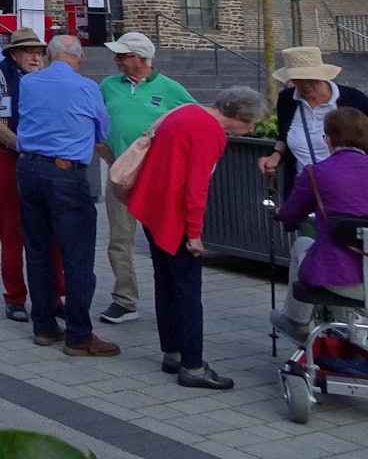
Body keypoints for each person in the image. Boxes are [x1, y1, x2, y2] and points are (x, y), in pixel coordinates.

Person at [125, 87, 266, 389]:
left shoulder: (187, 113)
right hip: (174, 217)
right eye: (250, 123)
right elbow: (196, 187)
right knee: (188, 291)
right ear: (237, 116)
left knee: (165, 282)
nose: (251, 129)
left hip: (153, 207)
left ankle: (173, 352)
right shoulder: (209, 131)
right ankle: (193, 366)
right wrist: (195, 234)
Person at [15, 35, 117, 357]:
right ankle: (78, 335)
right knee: (77, 256)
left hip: (28, 168)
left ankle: (43, 326)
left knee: (38, 250)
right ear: (80, 57)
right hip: (64, 172)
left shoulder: (29, 82)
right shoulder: (86, 87)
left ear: (48, 54)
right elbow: (102, 131)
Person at [93, 32, 196, 326]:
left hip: (157, 179)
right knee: (119, 239)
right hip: (120, 175)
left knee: (163, 238)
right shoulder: (108, 85)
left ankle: (171, 294)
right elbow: (96, 119)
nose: (117, 60)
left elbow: (195, 121)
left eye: (123, 55)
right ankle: (124, 300)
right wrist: (101, 146)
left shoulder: (170, 88)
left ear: (141, 59)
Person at [0, 28, 61, 322]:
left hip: (43, 159)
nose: (35, 57)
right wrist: (19, 144)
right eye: (28, 51)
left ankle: (55, 294)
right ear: (13, 53)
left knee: (51, 227)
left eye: (39, 52)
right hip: (7, 156)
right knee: (12, 227)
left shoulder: (47, 77)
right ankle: (14, 296)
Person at [271, 107, 368, 346]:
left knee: (302, 244)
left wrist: (279, 213)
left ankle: (297, 321)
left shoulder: (317, 172)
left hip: (343, 281)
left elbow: (292, 213)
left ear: (328, 139)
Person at [258, 46, 368, 185]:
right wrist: (276, 154)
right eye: (298, 79)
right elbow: (284, 136)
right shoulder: (287, 100)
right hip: (304, 189)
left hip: (348, 189)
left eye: (311, 79)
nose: (305, 85)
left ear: (322, 76)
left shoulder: (354, 100)